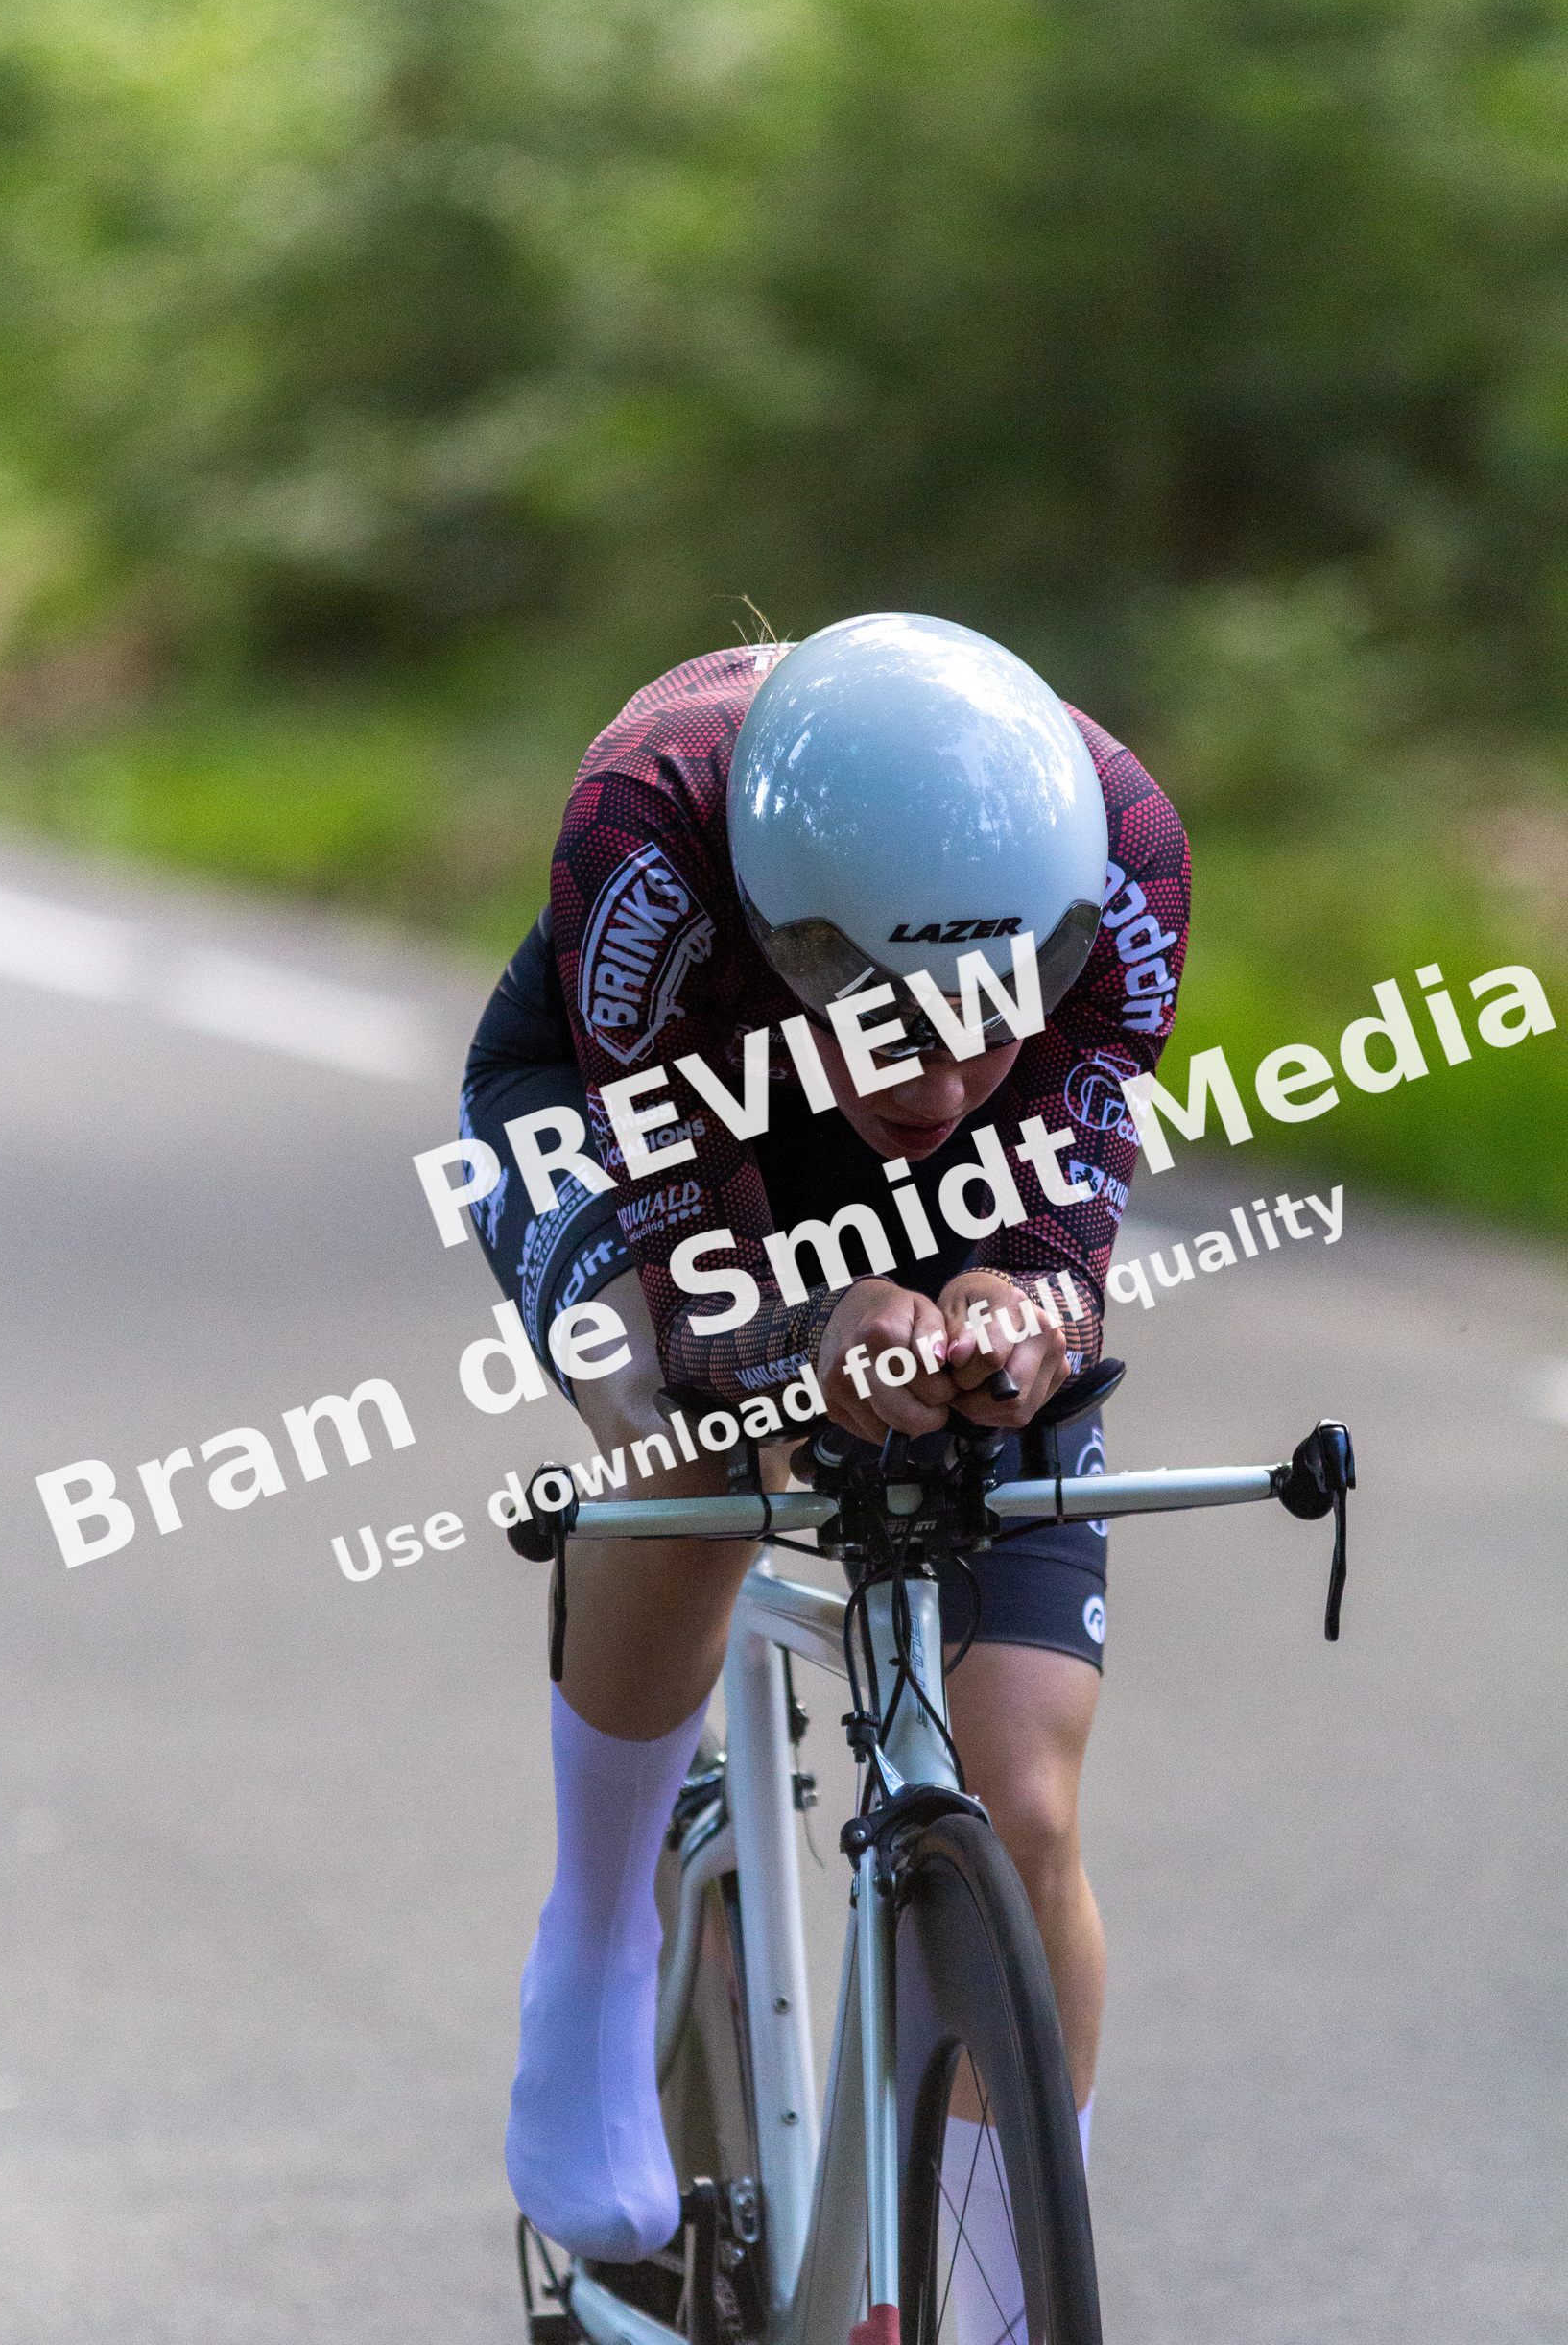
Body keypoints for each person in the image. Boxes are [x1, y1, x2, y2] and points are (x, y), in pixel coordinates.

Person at [461, 612, 1189, 2319]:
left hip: (898, 1152)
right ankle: (595, 1939)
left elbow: (1057, 1221)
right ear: (797, 938)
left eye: (992, 1018)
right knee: (681, 1436)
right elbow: (693, 1276)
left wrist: (1015, 1308)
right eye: (891, 1022)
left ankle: (1014, 2291)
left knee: (1022, 1797)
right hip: (633, 1100)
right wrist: (803, 1330)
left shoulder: (1126, 852)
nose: (939, 1080)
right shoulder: (648, 817)